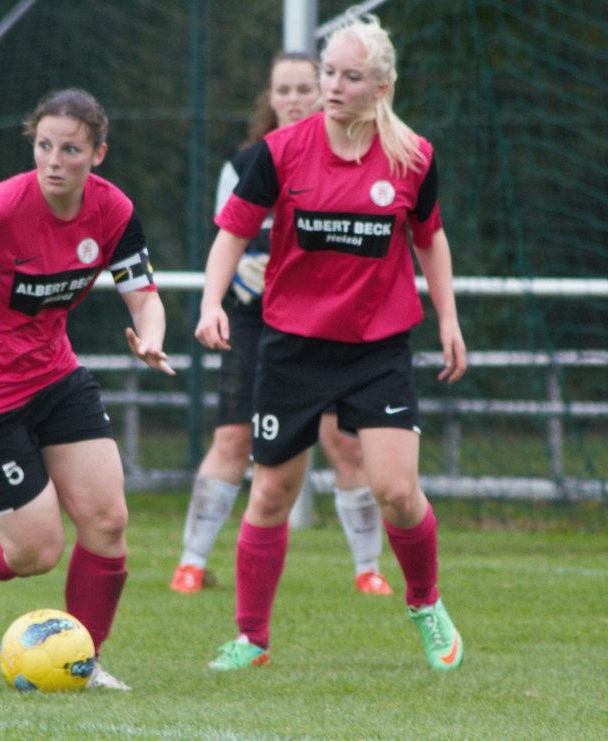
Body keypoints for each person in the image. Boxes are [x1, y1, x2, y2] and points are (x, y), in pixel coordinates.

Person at [195, 14, 467, 672]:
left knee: (398, 491)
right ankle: (252, 638)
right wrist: (210, 302)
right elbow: (233, 230)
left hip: (378, 348)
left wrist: (449, 318)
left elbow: (429, 236)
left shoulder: (412, 157)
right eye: (328, 73)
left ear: (381, 86)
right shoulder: (282, 151)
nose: (333, 85)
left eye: (350, 76)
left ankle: (425, 602)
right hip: (291, 345)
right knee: (270, 493)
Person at [0, 88, 175, 691]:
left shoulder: (113, 212)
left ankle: (83, 661)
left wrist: (151, 336)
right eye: (44, 146)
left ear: (97, 154)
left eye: (71, 149)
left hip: (55, 377)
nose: (54, 160)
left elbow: (142, 292)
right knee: (35, 552)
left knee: (107, 519)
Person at [171, 51, 393, 598]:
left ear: (322, 92)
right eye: (283, 90)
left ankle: (369, 569)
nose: (294, 99)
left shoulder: (364, 157)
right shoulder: (246, 163)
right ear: (269, 99)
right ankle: (191, 563)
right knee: (233, 438)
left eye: (303, 88)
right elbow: (232, 236)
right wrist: (232, 285)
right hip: (257, 323)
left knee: (347, 445)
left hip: (328, 322)